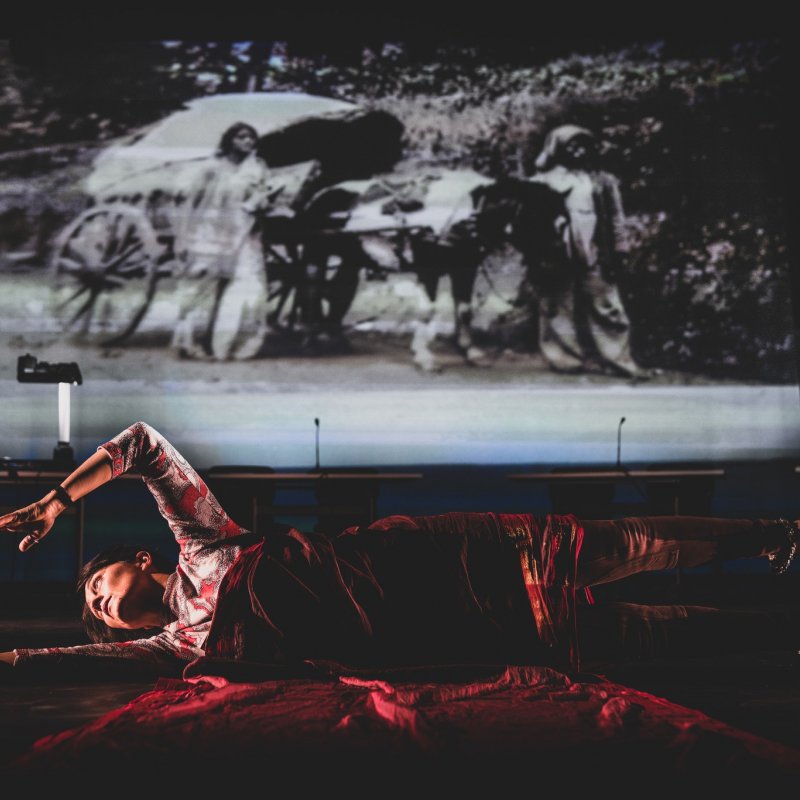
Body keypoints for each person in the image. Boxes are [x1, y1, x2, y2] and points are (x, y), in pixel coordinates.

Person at [0, 421, 797, 678]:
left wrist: (55, 499)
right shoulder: (178, 643)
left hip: (461, 557)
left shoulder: (204, 540)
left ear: (140, 559)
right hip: (463, 634)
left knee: (639, 543)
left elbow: (141, 444)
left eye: (97, 581)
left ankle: (774, 534)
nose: (98, 603)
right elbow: (60, 661)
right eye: (97, 613)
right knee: (667, 634)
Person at [529, 124, 648, 379]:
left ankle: (620, 360)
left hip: (595, 250)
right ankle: (565, 359)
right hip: (557, 253)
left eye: (583, 145)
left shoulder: (601, 181)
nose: (578, 151)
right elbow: (530, 221)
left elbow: (616, 218)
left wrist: (620, 249)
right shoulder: (542, 181)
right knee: (558, 307)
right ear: (557, 148)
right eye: (572, 145)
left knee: (607, 306)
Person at [171, 122, 276, 362]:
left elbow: (264, 194)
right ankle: (192, 344)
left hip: (245, 231)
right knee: (202, 289)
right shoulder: (211, 168)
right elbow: (189, 201)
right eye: (242, 137)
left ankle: (231, 346)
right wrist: (183, 237)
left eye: (251, 137)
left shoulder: (257, 168)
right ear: (230, 140)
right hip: (209, 233)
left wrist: (260, 201)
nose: (248, 141)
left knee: (248, 284)